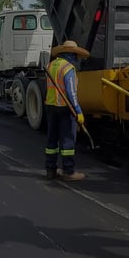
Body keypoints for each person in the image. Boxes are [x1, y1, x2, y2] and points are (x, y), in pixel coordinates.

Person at [44, 40, 88, 181]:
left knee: (52, 140)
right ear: (69, 54)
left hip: (50, 107)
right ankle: (68, 172)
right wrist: (78, 111)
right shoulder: (68, 68)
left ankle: (50, 170)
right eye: (74, 55)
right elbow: (71, 93)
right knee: (67, 141)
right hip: (64, 108)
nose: (76, 58)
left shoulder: (50, 66)